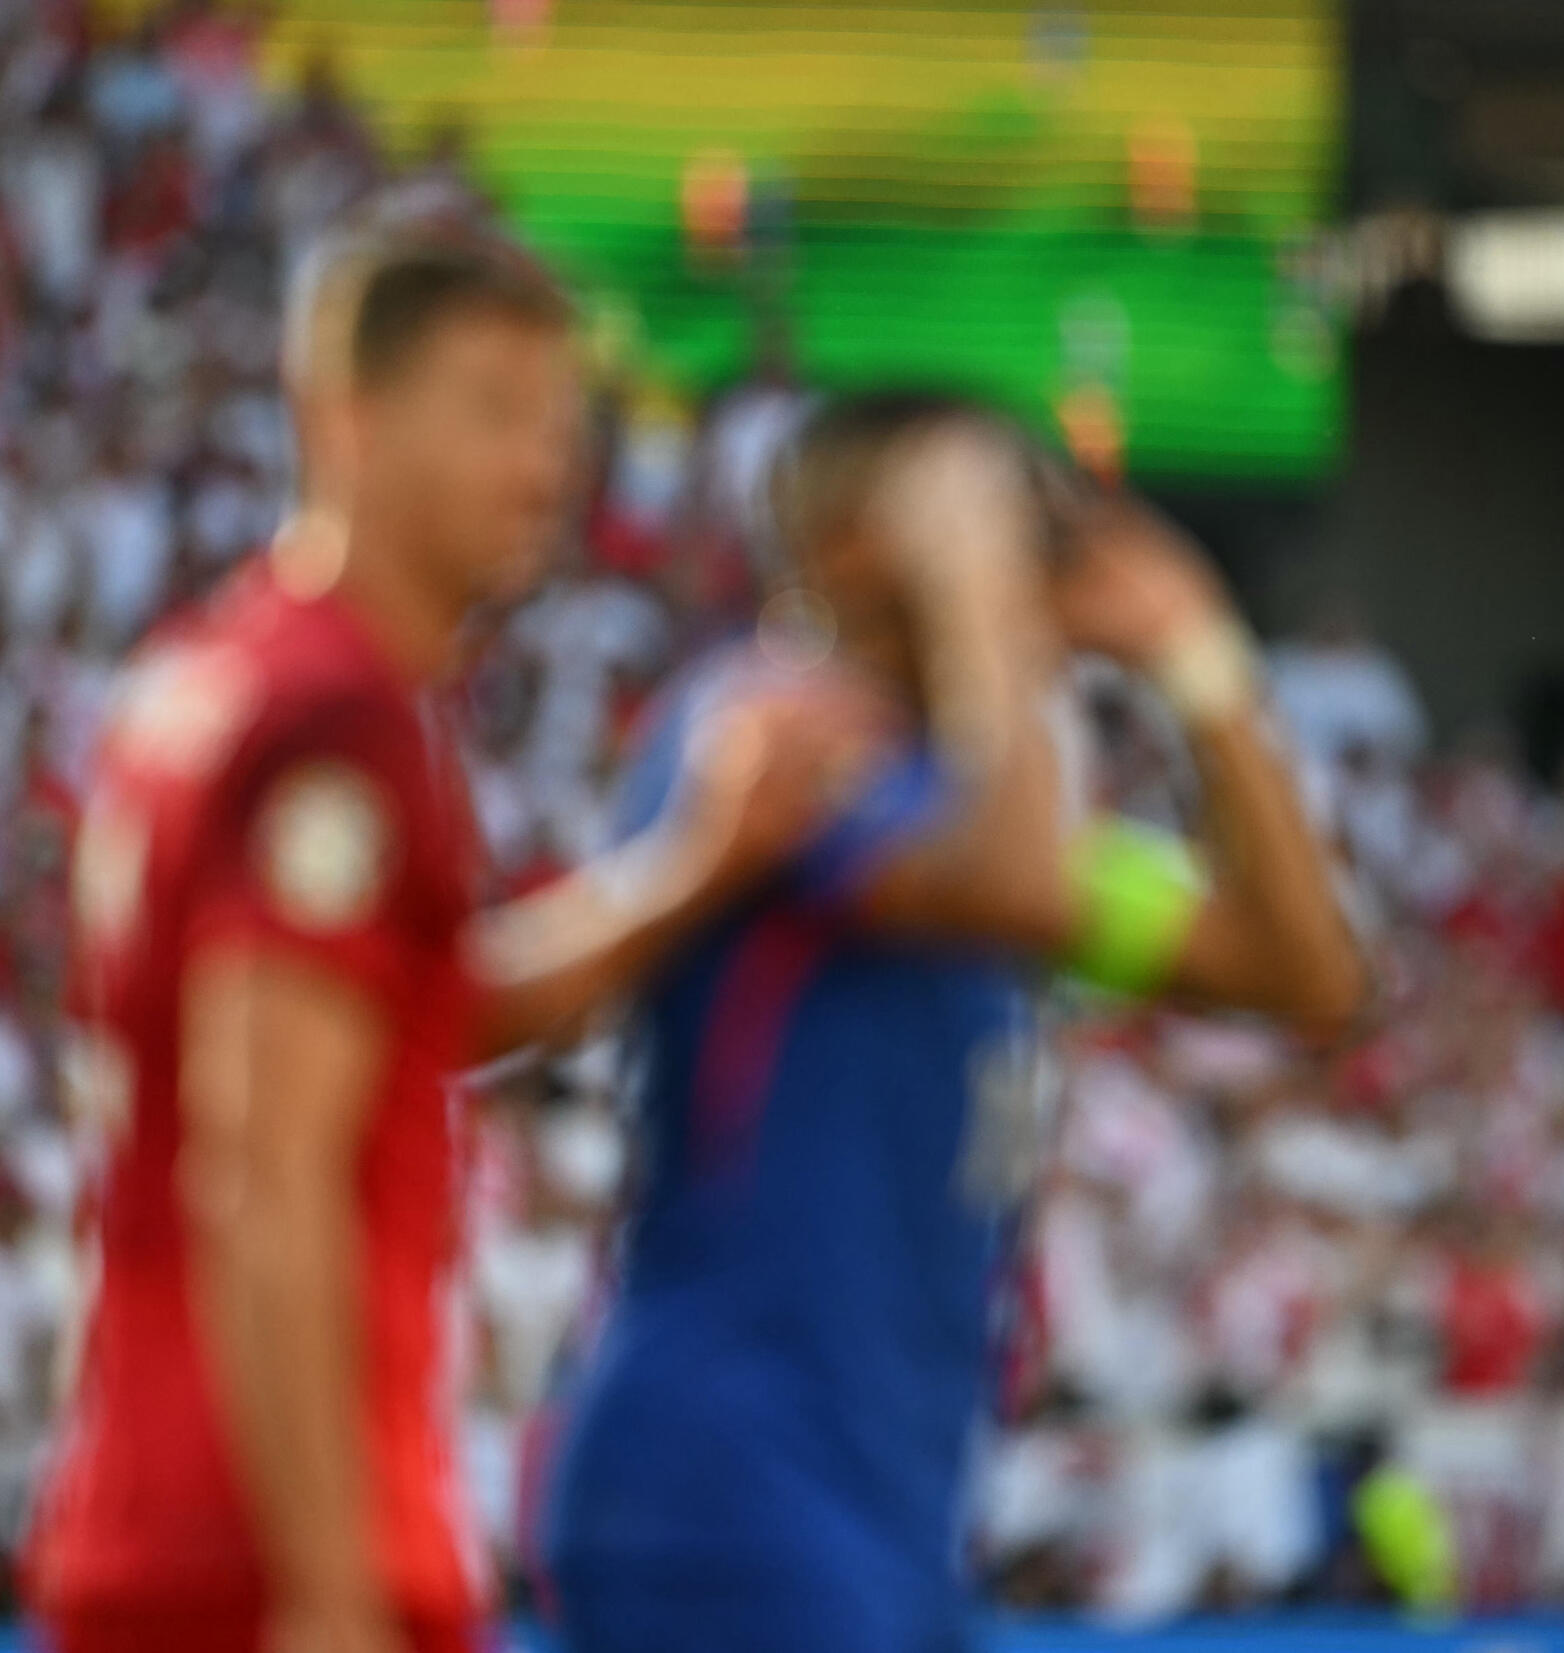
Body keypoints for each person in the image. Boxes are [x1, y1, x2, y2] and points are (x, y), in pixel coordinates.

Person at [26, 212, 876, 1653]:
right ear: (344, 421)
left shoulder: (215, 674)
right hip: (268, 1546)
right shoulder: (337, 718)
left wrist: (689, 868)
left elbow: (412, 1015)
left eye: (561, 421)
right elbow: (267, 1166)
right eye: (493, 413)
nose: (547, 466)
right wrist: (328, 1594)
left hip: (172, 1505)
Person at [543, 393, 1368, 1652]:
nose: (1024, 551)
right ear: (855, 544)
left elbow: (1306, 975)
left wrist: (1198, 665)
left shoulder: (958, 818)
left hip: (891, 1506)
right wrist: (986, 603)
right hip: (730, 1489)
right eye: (984, 510)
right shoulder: (762, 737)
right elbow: (1013, 874)